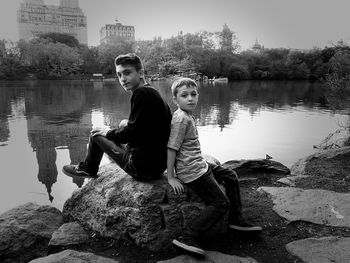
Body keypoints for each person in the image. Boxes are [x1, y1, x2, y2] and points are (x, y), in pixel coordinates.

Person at [167, 77, 262, 256]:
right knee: (220, 203)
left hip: (201, 164)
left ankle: (236, 220)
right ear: (175, 100)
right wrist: (171, 176)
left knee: (231, 175)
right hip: (192, 172)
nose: (190, 99)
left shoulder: (187, 115)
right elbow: (171, 148)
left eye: (193, 94)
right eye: (184, 95)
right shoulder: (180, 119)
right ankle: (187, 236)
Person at [63, 53, 172, 181]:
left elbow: (131, 134)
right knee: (123, 123)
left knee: (96, 134)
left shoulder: (142, 93)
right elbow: (141, 128)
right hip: (157, 167)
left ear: (141, 73)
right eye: (119, 75)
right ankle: (114, 155)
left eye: (127, 73)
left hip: (142, 169)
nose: (123, 79)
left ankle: (88, 169)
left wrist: (108, 133)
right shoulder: (151, 92)